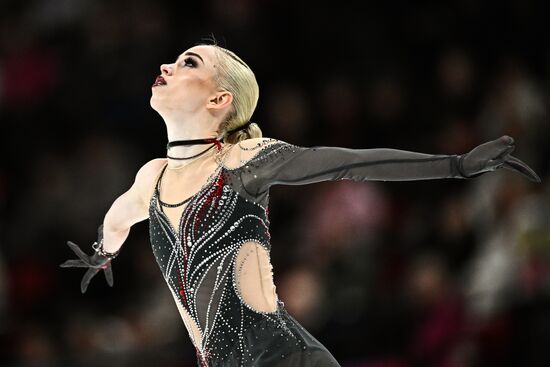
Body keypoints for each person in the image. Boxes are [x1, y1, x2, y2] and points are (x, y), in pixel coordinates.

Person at [60, 43, 541, 367]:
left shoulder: (243, 160)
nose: (167, 66)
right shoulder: (152, 178)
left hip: (284, 358)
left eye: (189, 63)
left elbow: (347, 164)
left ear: (220, 98)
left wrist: (456, 166)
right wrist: (103, 251)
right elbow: (118, 217)